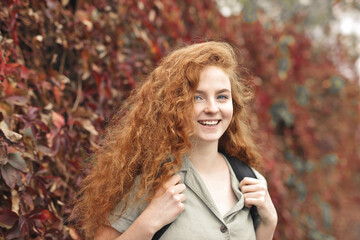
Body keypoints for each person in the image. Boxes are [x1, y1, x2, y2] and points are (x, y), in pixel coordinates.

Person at [72, 41, 277, 240]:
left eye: (222, 97)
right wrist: (149, 222)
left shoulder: (251, 180)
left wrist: (269, 223)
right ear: (175, 105)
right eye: (198, 97)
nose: (212, 108)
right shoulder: (152, 181)